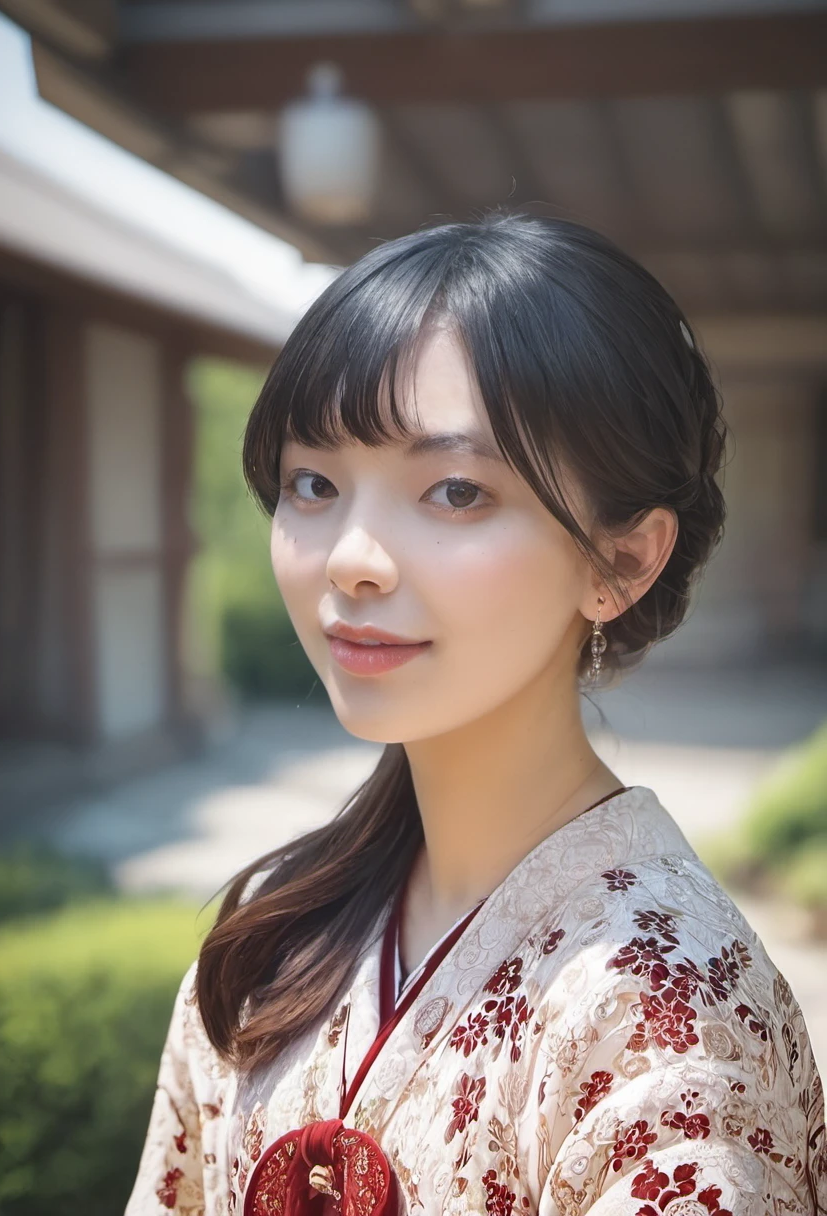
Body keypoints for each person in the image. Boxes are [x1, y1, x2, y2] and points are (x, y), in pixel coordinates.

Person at [125, 212, 826, 1216]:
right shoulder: (271, 932)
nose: (351, 559)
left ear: (620, 559)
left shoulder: (662, 1011)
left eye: (454, 490)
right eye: (312, 481)